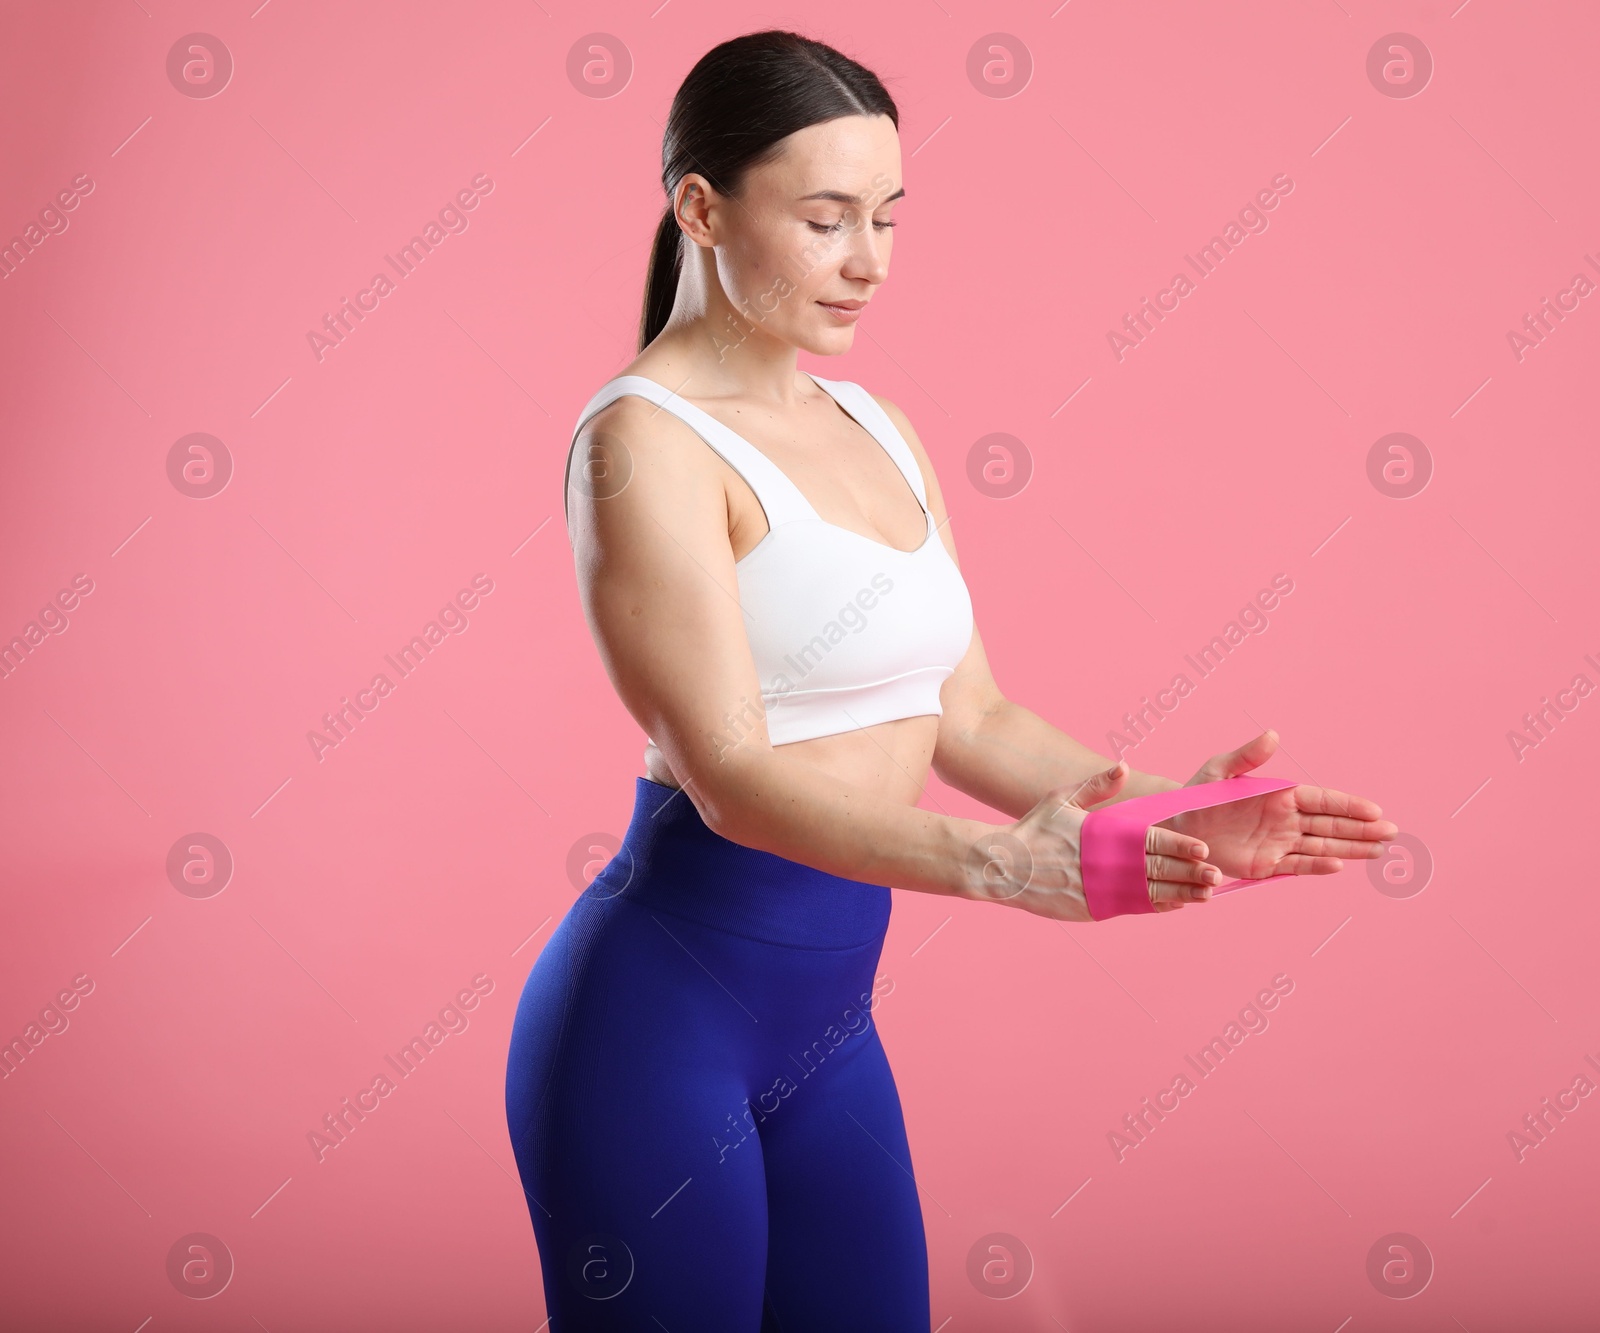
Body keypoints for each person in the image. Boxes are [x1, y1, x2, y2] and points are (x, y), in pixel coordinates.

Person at [504, 28, 1396, 1331]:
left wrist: (1159, 807)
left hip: (827, 1036)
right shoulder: (643, 442)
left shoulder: (876, 425)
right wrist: (992, 867)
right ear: (701, 205)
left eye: (887, 217)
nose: (867, 259)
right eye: (825, 219)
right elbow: (734, 775)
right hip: (651, 1029)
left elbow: (966, 715)